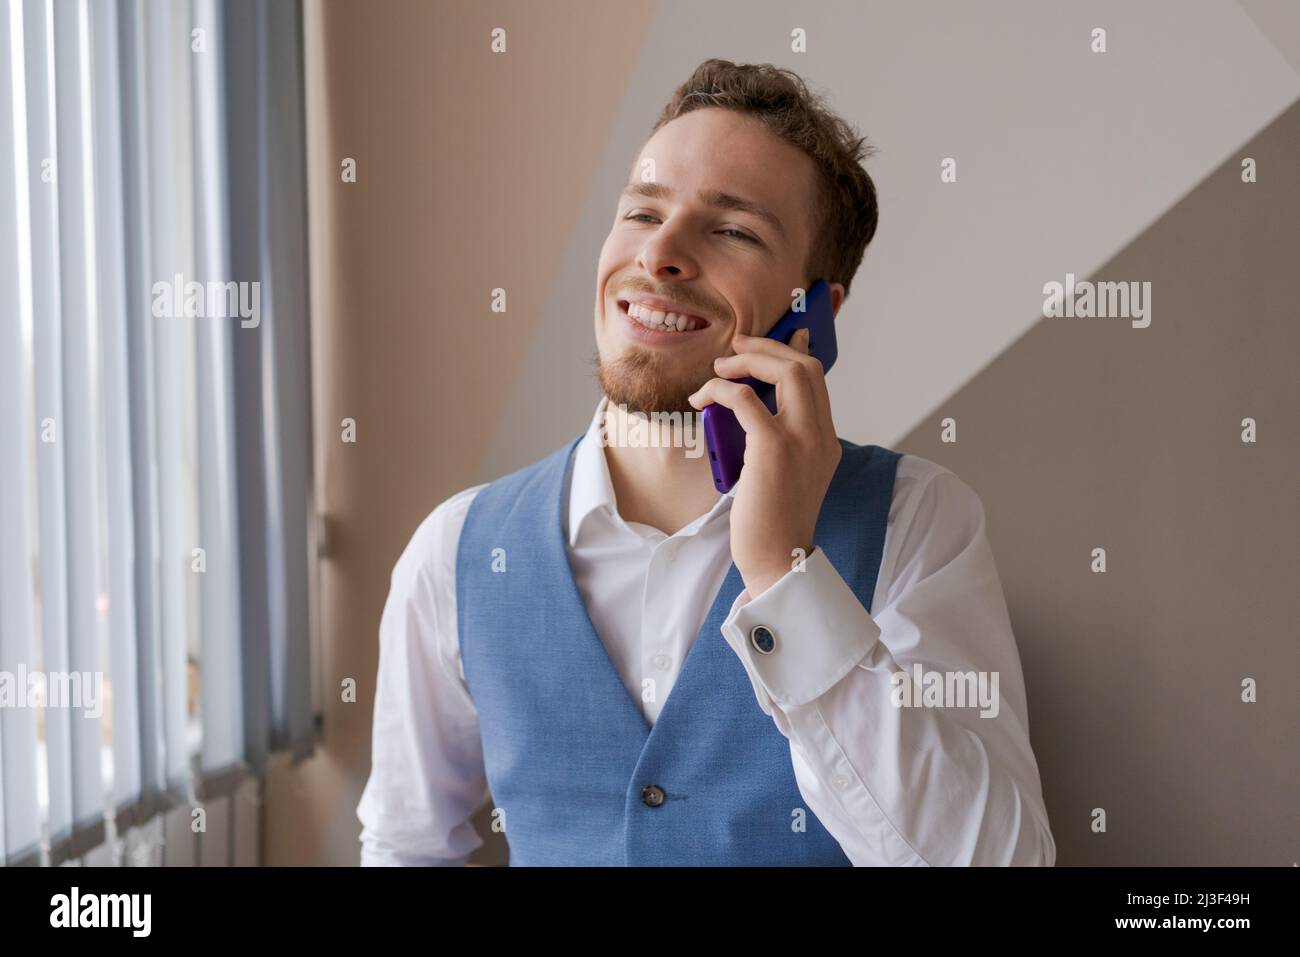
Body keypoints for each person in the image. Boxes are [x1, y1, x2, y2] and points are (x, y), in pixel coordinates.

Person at [357, 58, 1055, 866]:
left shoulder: (916, 520)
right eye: (641, 212)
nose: (659, 256)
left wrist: (785, 575)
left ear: (813, 315)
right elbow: (406, 849)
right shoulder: (456, 552)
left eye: (732, 230)